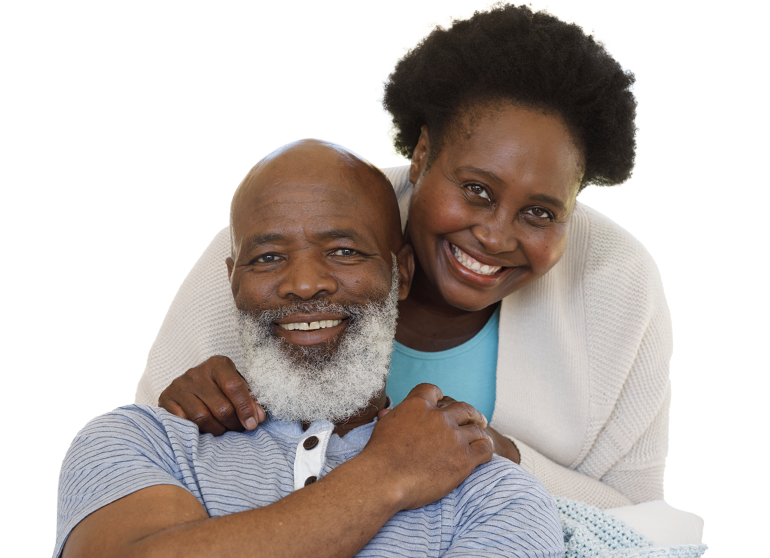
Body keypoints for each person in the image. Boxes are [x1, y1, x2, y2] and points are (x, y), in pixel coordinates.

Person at [137, 1, 672, 509]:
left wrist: (493, 455)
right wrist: (186, 411)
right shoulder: (280, 223)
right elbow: (145, 453)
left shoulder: (617, 281)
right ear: (420, 156)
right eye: (476, 190)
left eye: (540, 213)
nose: (494, 236)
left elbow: (646, 528)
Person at [55, 139, 564, 558]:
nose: (303, 284)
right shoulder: (139, 439)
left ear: (400, 274)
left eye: (344, 251)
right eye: (268, 256)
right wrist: (384, 476)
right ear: (233, 283)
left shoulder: (496, 499)